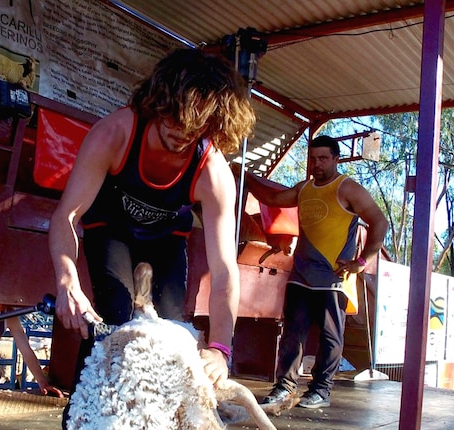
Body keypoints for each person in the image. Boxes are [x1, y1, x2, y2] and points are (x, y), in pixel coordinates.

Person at [48, 48, 256, 409]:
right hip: (110, 227)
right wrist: (67, 282)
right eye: (172, 120)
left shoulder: (214, 174)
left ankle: (152, 416)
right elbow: (65, 216)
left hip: (166, 238)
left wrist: (221, 348)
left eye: (193, 129)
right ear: (157, 104)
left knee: (173, 326)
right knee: (114, 313)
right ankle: (84, 414)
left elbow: (224, 271)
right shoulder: (113, 134)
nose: (179, 134)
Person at [246, 134, 389, 409]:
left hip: (332, 280)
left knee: (330, 337)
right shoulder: (304, 189)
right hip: (301, 275)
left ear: (336, 159)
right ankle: (284, 387)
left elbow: (379, 222)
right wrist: (248, 176)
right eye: (313, 158)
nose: (317, 164)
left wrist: (361, 262)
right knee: (292, 334)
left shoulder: (347, 189)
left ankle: (321, 391)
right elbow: (274, 198)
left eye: (323, 158)